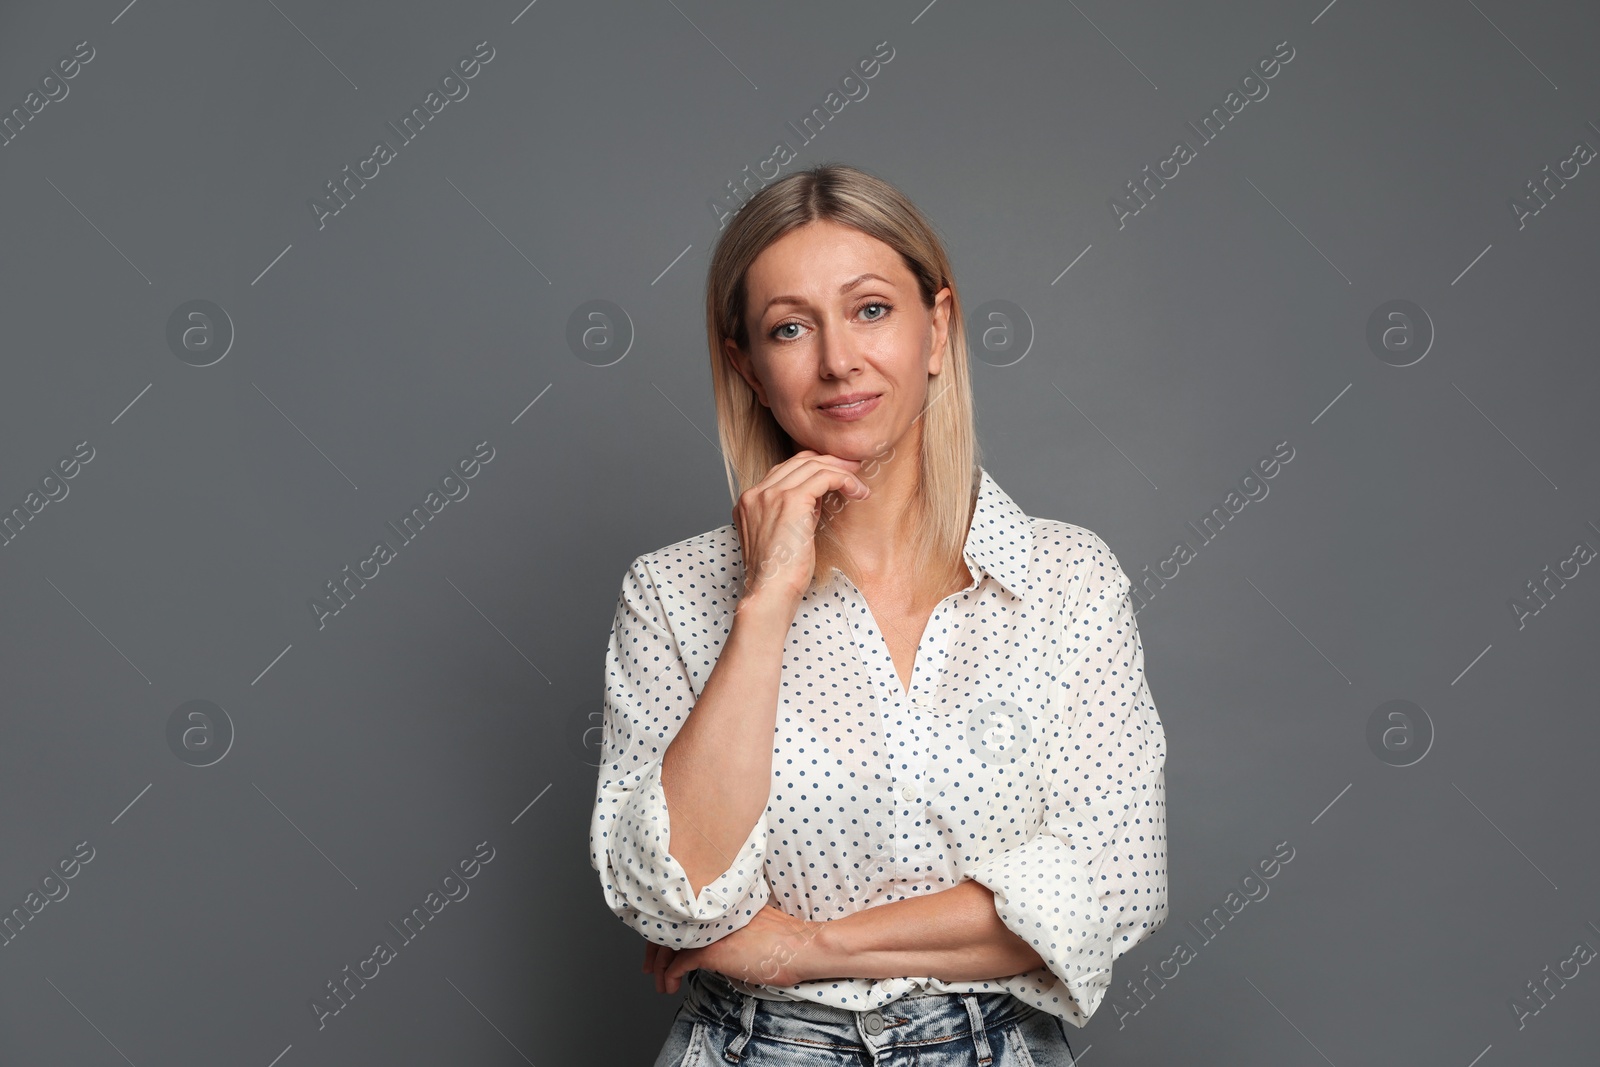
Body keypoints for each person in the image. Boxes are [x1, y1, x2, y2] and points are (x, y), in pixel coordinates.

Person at [589, 162, 1167, 1066]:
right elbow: (675, 896)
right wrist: (767, 601)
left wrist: (804, 949)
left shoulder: (1069, 579)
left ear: (936, 328)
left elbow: (1111, 884)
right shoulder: (669, 594)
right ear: (747, 363)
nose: (837, 361)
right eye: (790, 327)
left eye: (870, 310)